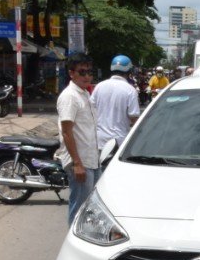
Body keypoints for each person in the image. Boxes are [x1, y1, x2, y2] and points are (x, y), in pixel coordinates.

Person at [57, 54, 99, 223]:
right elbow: (67, 132)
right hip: (81, 161)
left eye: (90, 72)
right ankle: (73, 245)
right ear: (71, 73)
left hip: (91, 160)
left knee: (89, 209)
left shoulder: (85, 95)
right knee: (78, 210)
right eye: (82, 72)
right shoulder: (70, 97)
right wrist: (77, 163)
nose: (87, 76)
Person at [91, 54, 140, 149]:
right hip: (119, 141)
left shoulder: (99, 86)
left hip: (99, 140)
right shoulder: (130, 90)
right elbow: (134, 117)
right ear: (129, 71)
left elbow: (91, 109)